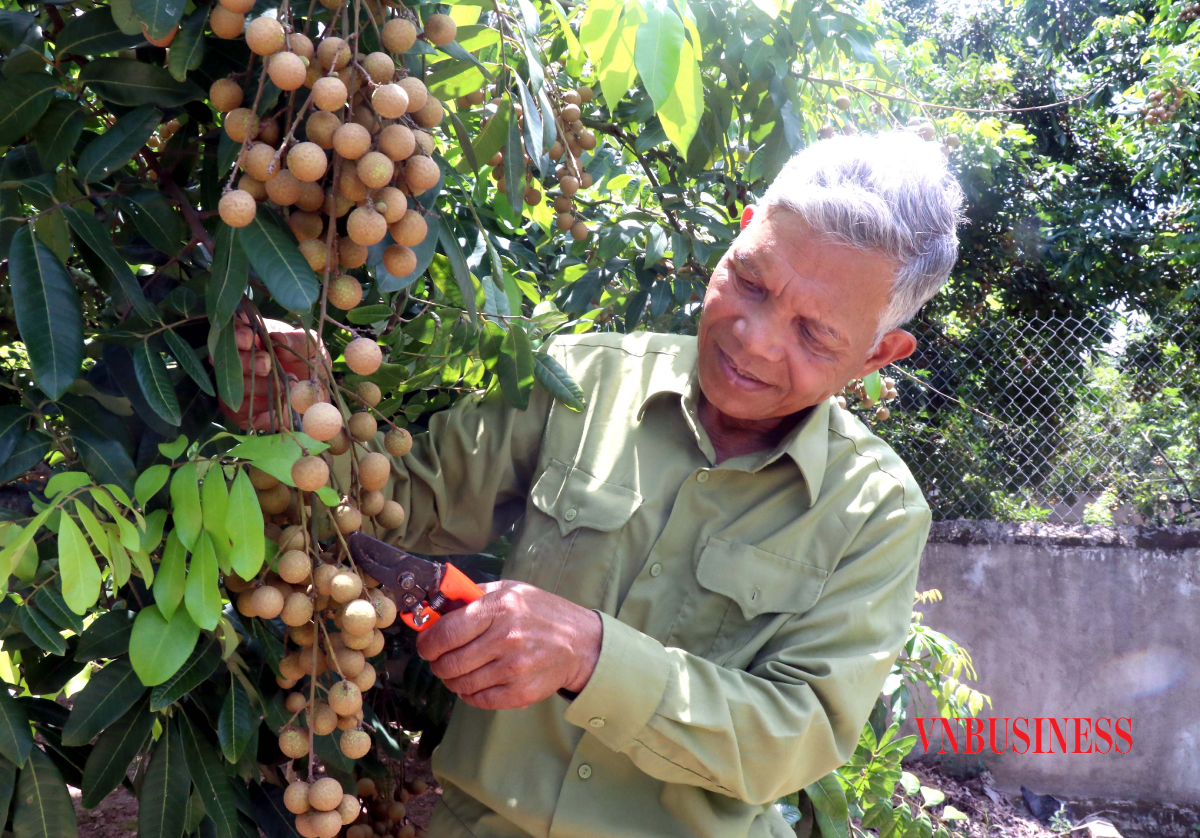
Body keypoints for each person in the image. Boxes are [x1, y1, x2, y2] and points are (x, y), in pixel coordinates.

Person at [224, 130, 965, 837]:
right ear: (739, 233)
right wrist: (293, 420)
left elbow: (796, 737)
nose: (755, 338)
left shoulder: (878, 511)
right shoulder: (582, 378)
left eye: (815, 335)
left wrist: (590, 654)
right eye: (749, 280)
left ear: (879, 354)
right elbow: (392, 511)